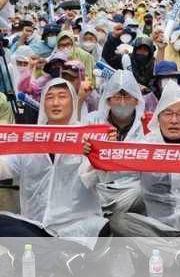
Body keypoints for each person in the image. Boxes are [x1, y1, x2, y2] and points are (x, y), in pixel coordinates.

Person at [94, 81, 180, 267]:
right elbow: (112, 171)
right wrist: (103, 150)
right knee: (118, 220)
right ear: (158, 119)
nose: (174, 120)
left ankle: (165, 253)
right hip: (155, 228)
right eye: (168, 114)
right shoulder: (145, 146)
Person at [0, 79, 111, 273]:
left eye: (62, 97)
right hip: (35, 225)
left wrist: (94, 155)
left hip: (75, 226)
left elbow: (93, 179)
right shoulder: (30, 139)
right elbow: (5, 169)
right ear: (43, 104)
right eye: (49, 98)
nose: (55, 103)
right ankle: (57, 255)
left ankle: (43, 254)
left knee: (100, 231)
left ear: (73, 101)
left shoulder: (87, 138)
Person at [85, 70, 145, 214]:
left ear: (137, 100)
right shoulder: (92, 122)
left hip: (132, 190)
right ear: (108, 100)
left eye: (127, 97)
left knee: (144, 192)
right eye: (117, 97)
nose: (122, 103)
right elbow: (81, 167)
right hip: (98, 187)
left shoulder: (146, 125)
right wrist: (99, 154)